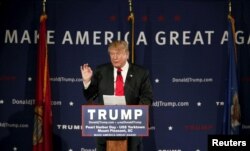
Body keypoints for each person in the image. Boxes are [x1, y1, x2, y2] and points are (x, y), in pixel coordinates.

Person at [80, 40, 153, 151]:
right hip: (105, 125)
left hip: (131, 125)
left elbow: (147, 97)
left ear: (127, 54)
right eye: (112, 54)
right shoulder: (101, 71)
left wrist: (135, 114)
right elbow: (90, 95)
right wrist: (87, 81)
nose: (115, 57)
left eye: (118, 54)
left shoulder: (141, 73)